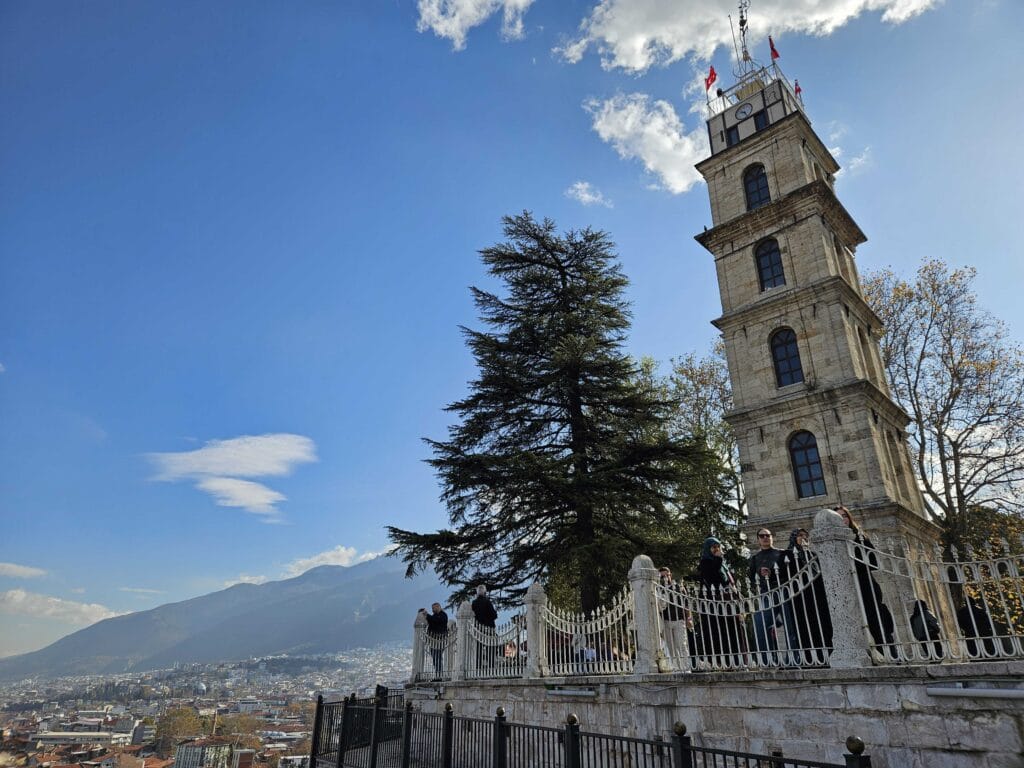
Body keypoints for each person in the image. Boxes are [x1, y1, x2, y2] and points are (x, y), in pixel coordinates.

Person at [836, 506, 895, 653]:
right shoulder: (832, 541)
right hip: (844, 587)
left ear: (849, 518)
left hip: (865, 584)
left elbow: (873, 561)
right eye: (837, 517)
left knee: (875, 620)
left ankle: (890, 653)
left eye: (844, 516)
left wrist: (853, 562)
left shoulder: (860, 537)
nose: (842, 519)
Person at [782, 528, 833, 663]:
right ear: (794, 537)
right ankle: (810, 659)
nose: (803, 538)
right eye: (800, 535)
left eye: (806, 535)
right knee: (804, 627)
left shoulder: (813, 554)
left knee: (823, 625)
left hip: (818, 595)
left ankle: (827, 656)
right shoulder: (787, 556)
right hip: (799, 597)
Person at [696, 537, 743, 667]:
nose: (717, 549)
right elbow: (712, 576)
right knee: (716, 631)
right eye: (713, 547)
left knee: (731, 629)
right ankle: (717, 661)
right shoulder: (705, 562)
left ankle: (734, 660)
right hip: (712, 602)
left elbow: (727, 580)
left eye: (718, 547)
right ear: (708, 549)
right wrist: (717, 558)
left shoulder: (723, 563)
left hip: (726, 601)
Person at [748, 528, 786, 665]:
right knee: (761, 623)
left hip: (785, 592)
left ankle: (796, 657)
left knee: (791, 625)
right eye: (762, 536)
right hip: (767, 594)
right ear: (758, 539)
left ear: (772, 537)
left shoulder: (781, 554)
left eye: (768, 535)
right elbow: (751, 579)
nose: (765, 538)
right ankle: (768, 660)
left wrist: (773, 573)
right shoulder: (755, 558)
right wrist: (760, 573)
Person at [658, 566, 690, 671]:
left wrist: (688, 618)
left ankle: (686, 668)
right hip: (666, 621)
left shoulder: (679, 588)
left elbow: (686, 604)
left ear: (670, 575)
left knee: (682, 645)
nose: (665, 578)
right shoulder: (658, 589)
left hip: (679, 620)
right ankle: (676, 669)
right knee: (671, 648)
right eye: (662, 577)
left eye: (666, 575)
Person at [471, 585, 498, 672]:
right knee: (491, 648)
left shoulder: (473, 603)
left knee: (478, 649)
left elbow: (473, 616)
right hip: (489, 628)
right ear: (485, 592)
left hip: (478, 629)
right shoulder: (487, 602)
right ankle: (491, 668)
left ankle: (478, 668)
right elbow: (494, 615)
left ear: (477, 593)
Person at [423, 602, 449, 677]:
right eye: (432, 608)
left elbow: (436, 621)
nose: (433, 610)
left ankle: (439, 675)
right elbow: (432, 621)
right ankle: (438, 674)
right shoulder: (435, 615)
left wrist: (427, 615)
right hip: (434, 640)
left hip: (439, 640)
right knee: (435, 658)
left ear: (438, 607)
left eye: (434, 608)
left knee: (437, 658)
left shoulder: (443, 615)